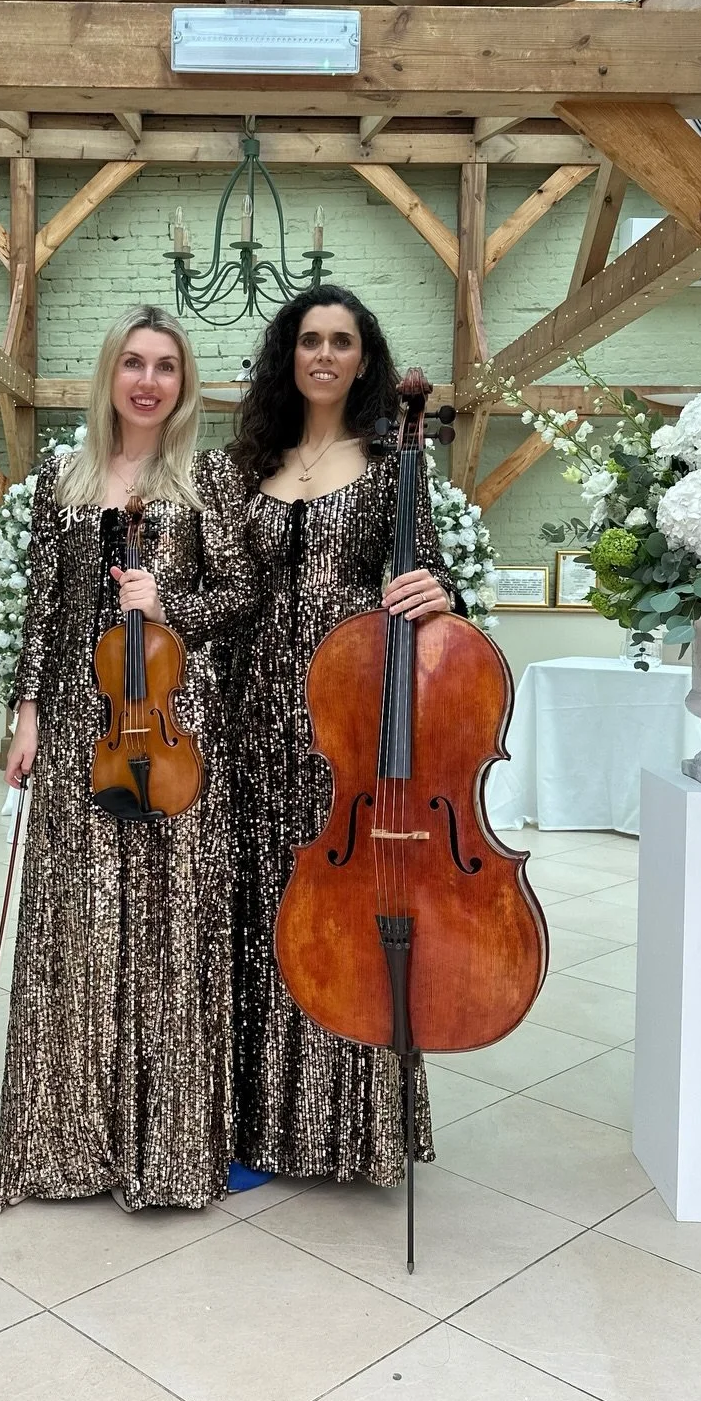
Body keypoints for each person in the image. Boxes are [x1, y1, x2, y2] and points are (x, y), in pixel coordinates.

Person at [0, 304, 252, 1215]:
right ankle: (67, 1143)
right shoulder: (63, 479)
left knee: (173, 928)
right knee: (78, 930)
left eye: (166, 367)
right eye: (133, 363)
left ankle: (167, 1146)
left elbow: (241, 596)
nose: (148, 380)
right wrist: (25, 716)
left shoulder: (208, 478)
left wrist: (166, 595)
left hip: (176, 727)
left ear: (185, 384)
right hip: (74, 724)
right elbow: (41, 612)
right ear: (110, 375)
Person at [227, 285, 461, 1186]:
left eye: (342, 341)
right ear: (288, 354)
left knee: (346, 920)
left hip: (350, 721)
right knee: (265, 910)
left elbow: (431, 580)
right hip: (256, 715)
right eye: (309, 340)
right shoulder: (257, 461)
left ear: (364, 360)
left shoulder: (395, 459)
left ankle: (347, 1131)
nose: (324, 354)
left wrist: (438, 591)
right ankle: (257, 1124)